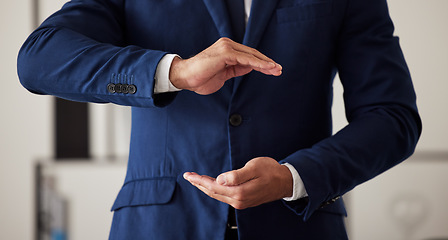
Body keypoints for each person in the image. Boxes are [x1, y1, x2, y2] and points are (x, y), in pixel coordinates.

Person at [17, 0, 421, 239]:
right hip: (158, 226)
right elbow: (38, 58)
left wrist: (294, 177)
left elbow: (392, 116)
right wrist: (174, 72)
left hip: (299, 226)